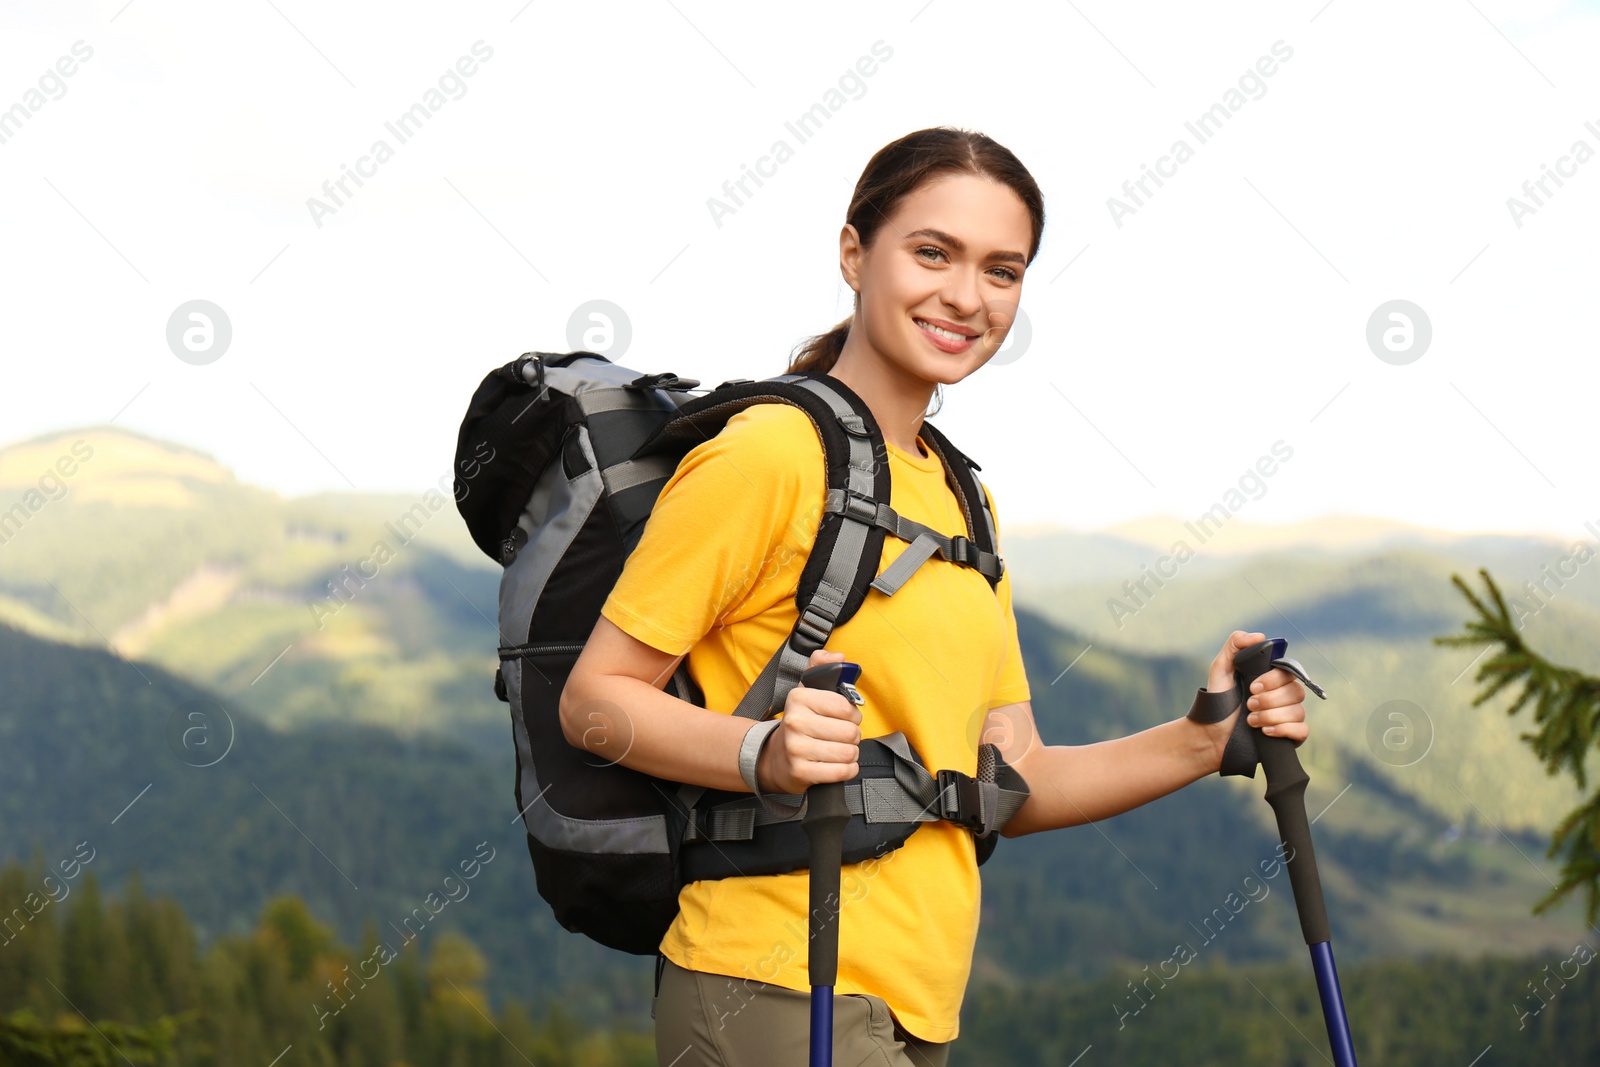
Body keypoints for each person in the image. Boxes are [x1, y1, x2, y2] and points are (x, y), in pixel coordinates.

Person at [559, 126, 1310, 1067]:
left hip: (915, 1006)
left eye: (1003, 270)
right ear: (852, 253)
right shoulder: (767, 455)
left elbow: (1012, 777)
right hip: (775, 985)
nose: (966, 296)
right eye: (932, 253)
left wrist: (1205, 738)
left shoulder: (964, 497)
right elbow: (594, 701)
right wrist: (767, 750)